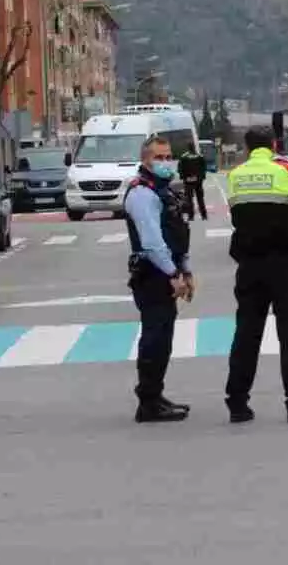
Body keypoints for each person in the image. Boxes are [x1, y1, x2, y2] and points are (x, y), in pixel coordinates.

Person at [224, 126, 288, 424]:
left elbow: (236, 213)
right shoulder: (287, 171)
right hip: (283, 263)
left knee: (246, 333)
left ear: (247, 147)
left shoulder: (235, 175)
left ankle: (238, 403)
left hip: (249, 265)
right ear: (274, 144)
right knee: (287, 334)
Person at [124, 134, 193, 423]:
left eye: (168, 157)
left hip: (168, 271)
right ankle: (148, 402)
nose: (166, 162)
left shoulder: (163, 190)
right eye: (159, 158)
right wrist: (173, 273)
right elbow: (152, 241)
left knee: (164, 337)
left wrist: (186, 270)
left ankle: (156, 394)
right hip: (153, 274)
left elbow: (177, 234)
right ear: (145, 160)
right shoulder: (142, 193)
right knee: (154, 338)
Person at [177, 142, 208, 220]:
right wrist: (201, 177)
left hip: (188, 181)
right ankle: (204, 215)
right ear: (194, 147)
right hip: (198, 180)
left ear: (188, 148)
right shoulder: (199, 156)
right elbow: (204, 168)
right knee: (200, 198)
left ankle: (191, 216)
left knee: (189, 199)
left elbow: (180, 169)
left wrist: (183, 177)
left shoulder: (184, 157)